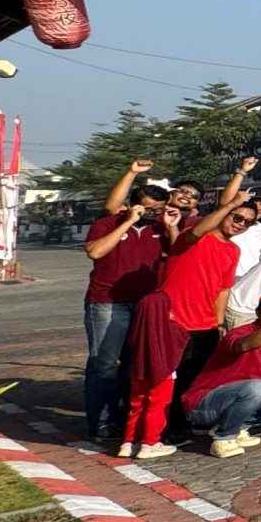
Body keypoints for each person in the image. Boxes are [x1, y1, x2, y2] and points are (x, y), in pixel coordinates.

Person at [119, 162, 258, 458]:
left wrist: (218, 323)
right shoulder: (193, 236)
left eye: (247, 222)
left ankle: (173, 429)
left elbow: (223, 289)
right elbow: (208, 222)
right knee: (157, 381)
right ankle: (148, 436)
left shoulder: (233, 250)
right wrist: (231, 200)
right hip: (172, 321)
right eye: (236, 217)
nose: (240, 223)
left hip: (204, 324)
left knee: (189, 381)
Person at [81, 159, 174, 443]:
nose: (152, 214)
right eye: (147, 209)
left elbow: (179, 254)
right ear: (133, 205)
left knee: (135, 365)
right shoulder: (108, 223)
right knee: (105, 363)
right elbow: (95, 252)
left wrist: (170, 227)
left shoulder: (160, 229)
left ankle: (123, 418)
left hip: (144, 304)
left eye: (157, 210)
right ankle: (100, 422)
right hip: (108, 302)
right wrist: (129, 222)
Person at [183, 289, 261, 457]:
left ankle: (238, 425)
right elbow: (244, 345)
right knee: (257, 387)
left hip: (246, 395)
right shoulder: (239, 332)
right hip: (205, 404)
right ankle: (223, 438)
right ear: (258, 312)